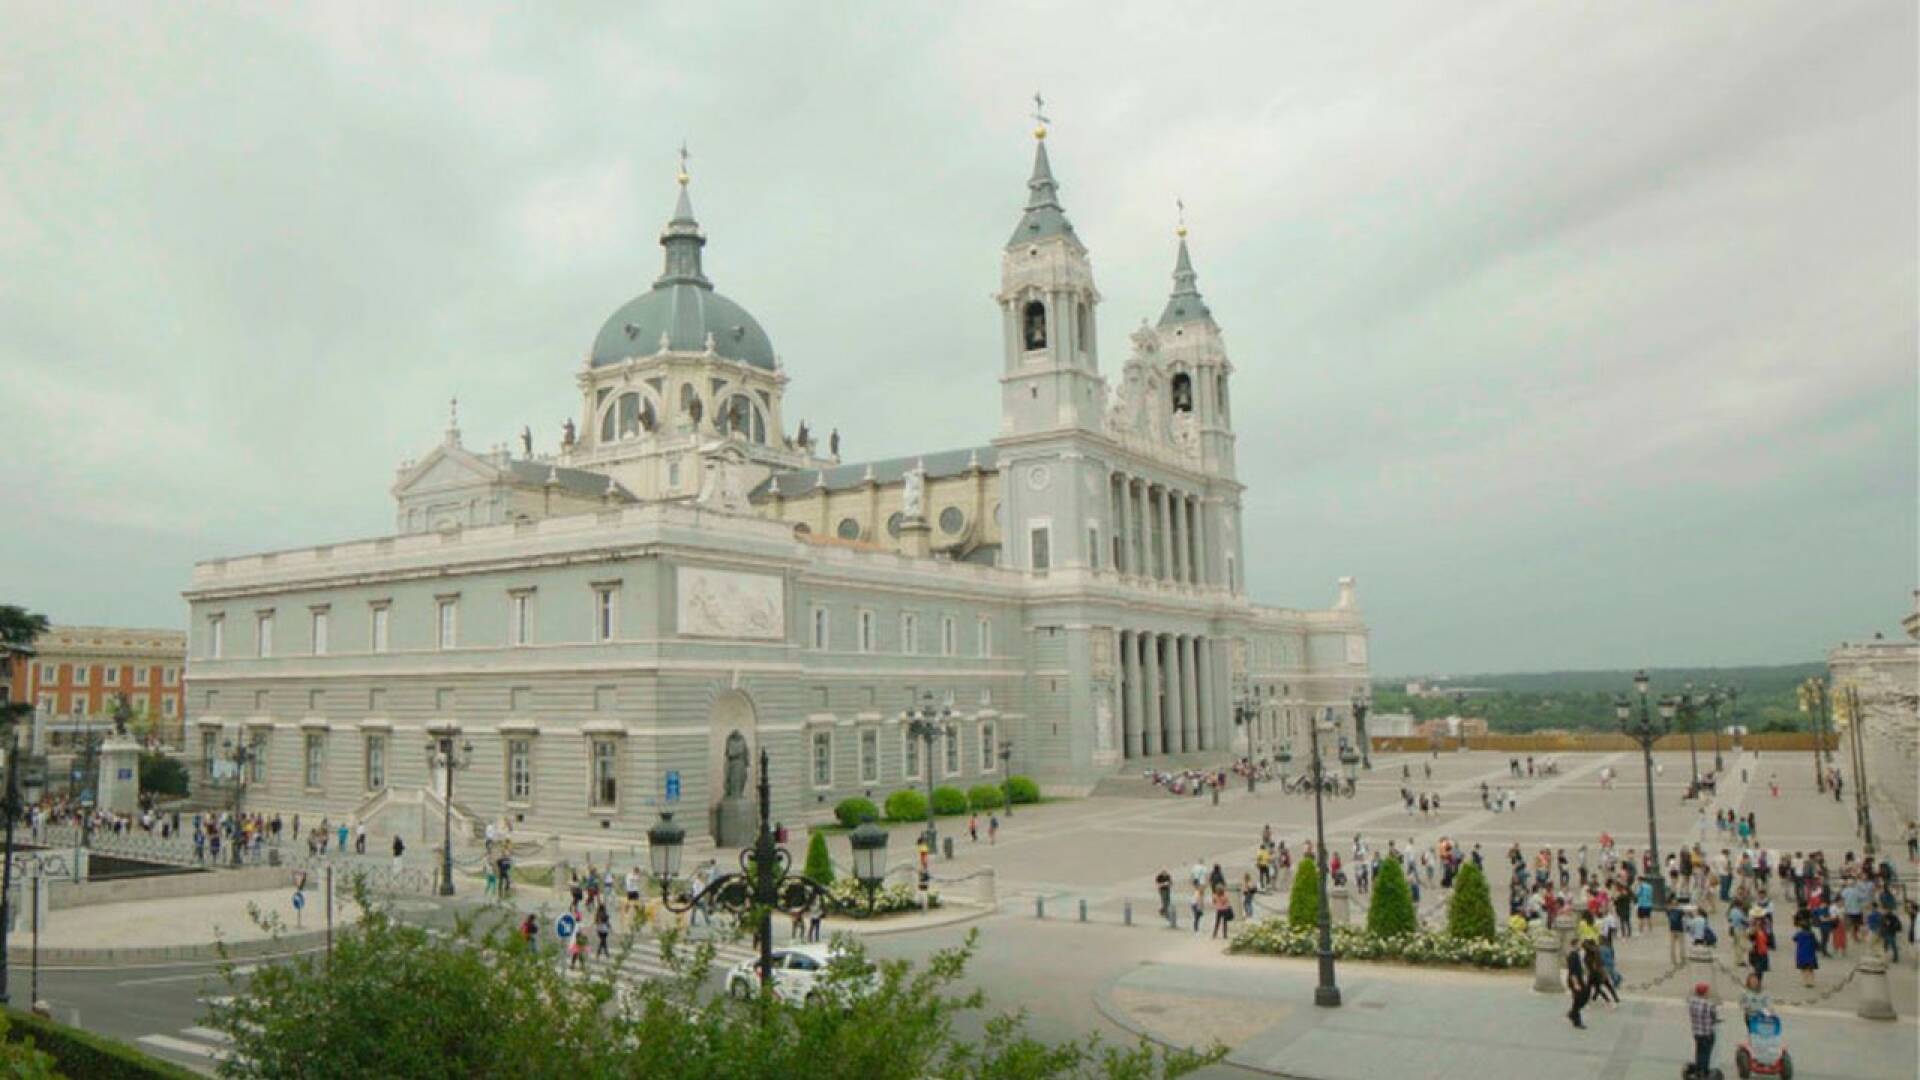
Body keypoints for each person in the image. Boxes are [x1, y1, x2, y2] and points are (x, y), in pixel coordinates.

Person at [1688, 983, 1720, 1076]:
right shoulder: (1709, 1004)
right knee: (1706, 1052)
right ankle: (1704, 1071)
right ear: (1705, 993)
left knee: (1699, 1050)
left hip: (1697, 1032)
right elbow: (1713, 1016)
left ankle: (1698, 1069)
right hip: (1707, 1032)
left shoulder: (1692, 1002)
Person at [1565, 943, 1591, 1029]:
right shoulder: (1573, 956)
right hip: (1575, 981)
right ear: (1574, 945)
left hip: (1579, 979)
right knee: (1579, 999)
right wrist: (1575, 983)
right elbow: (1572, 972)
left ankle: (1573, 1013)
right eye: (1579, 944)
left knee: (1582, 998)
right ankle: (1576, 1020)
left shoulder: (1577, 954)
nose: (1580, 946)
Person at [1793, 919, 1818, 986]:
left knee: (1803, 969)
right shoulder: (1811, 934)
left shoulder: (1799, 934)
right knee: (1811, 969)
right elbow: (1815, 943)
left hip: (1801, 953)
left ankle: (1806, 982)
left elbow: (1794, 939)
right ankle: (1812, 982)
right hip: (1810, 953)